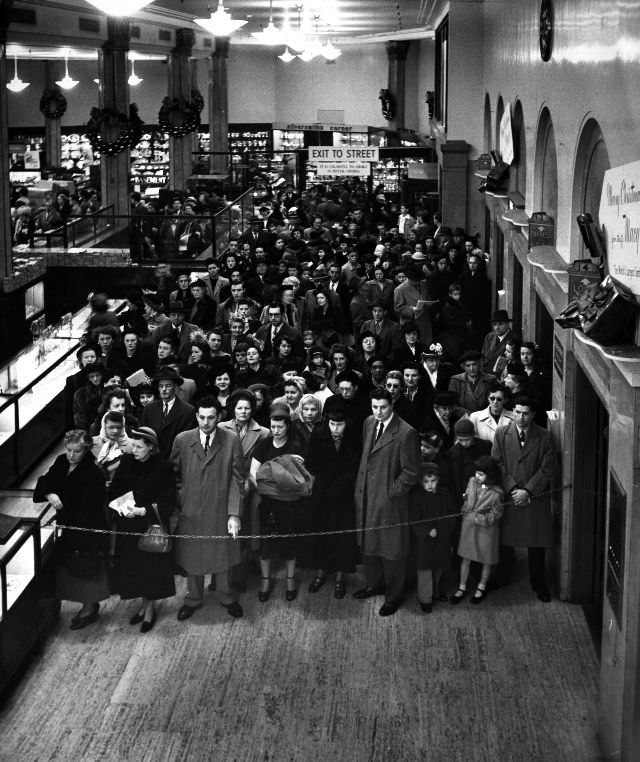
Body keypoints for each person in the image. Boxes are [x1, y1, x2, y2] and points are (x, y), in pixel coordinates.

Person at [171, 396, 246, 620]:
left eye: (211, 418)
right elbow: (173, 474)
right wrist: (181, 500)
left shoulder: (231, 440)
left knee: (222, 556)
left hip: (219, 509)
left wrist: (234, 514)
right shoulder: (182, 440)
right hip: (190, 511)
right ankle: (193, 598)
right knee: (192, 557)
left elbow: (238, 479)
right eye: (201, 417)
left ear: (219, 417)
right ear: (196, 417)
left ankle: (227, 597)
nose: (206, 422)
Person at [353, 388, 421, 616]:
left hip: (390, 502)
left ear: (392, 405)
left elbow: (411, 472)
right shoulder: (368, 422)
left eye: (383, 407)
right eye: (374, 407)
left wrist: (391, 492)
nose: (378, 412)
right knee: (369, 546)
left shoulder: (406, 433)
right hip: (366, 497)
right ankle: (374, 584)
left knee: (392, 551)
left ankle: (393, 596)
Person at [33, 430, 108, 630]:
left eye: (76, 451)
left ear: (86, 450)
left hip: (87, 529)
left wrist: (62, 500)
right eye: (68, 450)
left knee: (87, 567)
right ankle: (86, 604)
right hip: (68, 525)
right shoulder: (61, 462)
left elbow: (89, 509)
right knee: (71, 568)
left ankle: (89, 606)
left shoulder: (94, 473)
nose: (71, 455)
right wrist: (50, 493)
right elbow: (44, 482)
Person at [109, 427, 177, 633]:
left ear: (150, 447)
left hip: (150, 526)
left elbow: (168, 501)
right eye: (133, 445)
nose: (134, 449)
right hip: (127, 525)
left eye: (139, 446)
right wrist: (119, 506)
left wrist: (143, 511)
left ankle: (149, 609)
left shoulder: (163, 468)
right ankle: (142, 605)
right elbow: (115, 489)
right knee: (134, 569)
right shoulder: (128, 461)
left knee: (151, 569)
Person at [491, 396, 555, 601]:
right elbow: (497, 464)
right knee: (506, 541)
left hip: (533, 498)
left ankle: (538, 583)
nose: (521, 417)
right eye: (517, 412)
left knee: (536, 543)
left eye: (525, 413)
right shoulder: (502, 433)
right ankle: (503, 577)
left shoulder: (544, 436)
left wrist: (527, 491)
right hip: (510, 496)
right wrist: (513, 488)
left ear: (533, 415)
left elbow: (548, 468)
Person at [250, 403, 306, 602]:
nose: (275, 431)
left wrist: (273, 478)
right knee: (266, 545)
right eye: (273, 427)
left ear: (287, 426)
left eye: (279, 427)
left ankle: (290, 580)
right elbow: (253, 473)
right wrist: (268, 487)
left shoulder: (296, 446)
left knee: (289, 543)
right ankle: (266, 580)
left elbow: (296, 478)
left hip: (289, 504)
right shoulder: (264, 445)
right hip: (266, 503)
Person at [305, 407, 360, 599]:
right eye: (333, 424)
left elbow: (355, 466)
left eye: (340, 424)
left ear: (346, 424)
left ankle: (339, 579)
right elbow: (311, 463)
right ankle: (320, 575)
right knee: (322, 536)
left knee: (342, 538)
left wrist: (341, 484)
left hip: (344, 496)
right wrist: (326, 482)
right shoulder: (318, 437)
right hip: (322, 496)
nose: (336, 429)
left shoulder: (353, 438)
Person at [450, 456, 504, 605]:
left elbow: (497, 513)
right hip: (469, 527)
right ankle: (462, 587)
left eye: (481, 474)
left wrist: (480, 519)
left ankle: (481, 587)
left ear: (490, 475)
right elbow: (467, 498)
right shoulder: (472, 482)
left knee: (486, 560)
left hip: (486, 531)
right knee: (465, 558)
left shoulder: (497, 493)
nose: (477, 477)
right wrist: (465, 508)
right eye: (476, 473)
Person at [408, 462, 454, 613]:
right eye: (426, 482)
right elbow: (414, 520)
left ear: (438, 480)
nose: (430, 485)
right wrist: (427, 530)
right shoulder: (417, 497)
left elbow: (452, 514)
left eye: (433, 481)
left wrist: (448, 529)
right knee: (425, 570)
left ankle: (436, 593)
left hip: (442, 538)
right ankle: (425, 599)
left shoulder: (445, 494)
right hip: (425, 542)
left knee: (438, 568)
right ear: (421, 482)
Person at [140, 367, 195, 459]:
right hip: (152, 460)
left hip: (175, 461)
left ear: (175, 386)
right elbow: (144, 436)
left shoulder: (188, 411)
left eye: (168, 385)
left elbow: (186, 441)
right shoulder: (149, 409)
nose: (164, 389)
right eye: (161, 386)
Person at [91, 411, 133, 488]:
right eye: (111, 427)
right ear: (104, 426)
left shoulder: (131, 445)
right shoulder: (93, 443)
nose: (115, 431)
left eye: (119, 427)